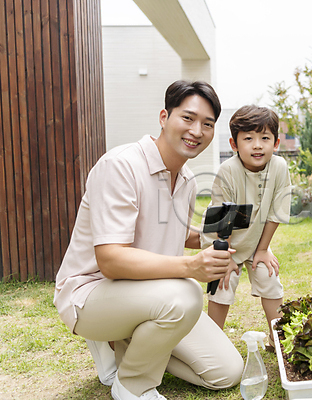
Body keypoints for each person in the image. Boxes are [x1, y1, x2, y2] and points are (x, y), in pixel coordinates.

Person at [53, 80, 244, 400]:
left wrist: (212, 245)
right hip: (92, 294)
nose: (197, 131)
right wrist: (191, 267)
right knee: (186, 293)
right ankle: (132, 385)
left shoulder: (186, 180)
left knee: (226, 372)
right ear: (163, 117)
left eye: (207, 124)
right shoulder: (121, 165)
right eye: (188, 118)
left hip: (153, 294)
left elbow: (176, 233)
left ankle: (129, 346)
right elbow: (110, 260)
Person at [201, 105, 292, 349]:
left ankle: (278, 339)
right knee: (223, 282)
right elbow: (223, 217)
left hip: (255, 239)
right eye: (248, 138)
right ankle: (213, 343)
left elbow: (276, 213)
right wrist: (225, 255)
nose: (257, 145)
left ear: (276, 142)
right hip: (223, 239)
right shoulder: (228, 170)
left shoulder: (279, 167)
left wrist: (262, 249)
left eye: (264, 138)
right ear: (234, 143)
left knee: (269, 277)